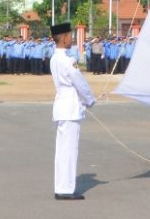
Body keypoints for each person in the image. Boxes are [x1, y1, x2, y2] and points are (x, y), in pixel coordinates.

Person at [50, 22, 96, 200]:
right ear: (63, 38)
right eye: (69, 36)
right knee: (69, 151)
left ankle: (61, 186)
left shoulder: (55, 58)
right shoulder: (68, 61)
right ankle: (66, 189)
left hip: (62, 106)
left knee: (62, 151)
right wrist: (89, 100)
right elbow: (80, 83)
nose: (71, 39)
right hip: (69, 107)